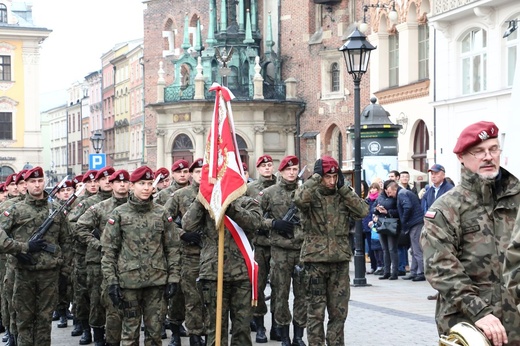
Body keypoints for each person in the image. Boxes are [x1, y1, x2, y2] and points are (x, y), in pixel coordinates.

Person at [421, 121, 520, 346]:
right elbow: (441, 268)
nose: (488, 156)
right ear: (462, 158)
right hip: (471, 326)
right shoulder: (446, 208)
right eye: (479, 151)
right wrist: (480, 312)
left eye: (493, 149)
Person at [101, 166, 181, 345]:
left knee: (155, 335)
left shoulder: (161, 213)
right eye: (141, 184)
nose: (146, 188)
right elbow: (109, 251)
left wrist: (174, 278)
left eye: (149, 184)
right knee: (130, 335)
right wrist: (111, 282)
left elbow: (173, 248)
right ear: (131, 186)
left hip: (157, 282)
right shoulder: (119, 214)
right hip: (129, 284)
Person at [294, 156, 368, 345]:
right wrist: (315, 179)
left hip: (339, 261)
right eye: (328, 177)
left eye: (335, 177)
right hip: (315, 262)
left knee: (339, 312)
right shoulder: (311, 193)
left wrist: (344, 189)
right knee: (315, 313)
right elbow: (299, 200)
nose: (332, 181)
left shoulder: (342, 194)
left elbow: (362, 211)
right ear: (320, 176)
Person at [0, 167, 72, 346]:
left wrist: (65, 269)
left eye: (40, 181)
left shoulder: (55, 209)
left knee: (44, 321)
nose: (37, 185)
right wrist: (21, 248)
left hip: (49, 274)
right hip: (24, 274)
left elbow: (66, 241)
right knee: (24, 321)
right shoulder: (16, 210)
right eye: (33, 181)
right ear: (25, 184)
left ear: (44, 182)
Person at [182, 189, 262, 346]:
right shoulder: (205, 204)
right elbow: (188, 225)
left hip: (242, 274)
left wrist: (230, 207)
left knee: (242, 328)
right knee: (215, 328)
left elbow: (254, 223)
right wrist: (202, 199)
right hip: (213, 274)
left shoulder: (247, 202)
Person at [76, 169, 130, 346]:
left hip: (128, 262)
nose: (121, 184)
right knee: (98, 299)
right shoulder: (100, 206)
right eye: (107, 180)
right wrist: (98, 243)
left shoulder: (134, 204)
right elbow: (78, 227)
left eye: (125, 181)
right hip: (99, 260)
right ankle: (98, 335)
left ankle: (122, 337)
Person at [257, 155, 306, 346]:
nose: (292, 173)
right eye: (288, 170)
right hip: (280, 251)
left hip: (301, 250)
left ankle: (299, 336)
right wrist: (274, 223)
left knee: (302, 295)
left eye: (295, 170)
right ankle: (284, 335)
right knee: (280, 294)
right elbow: (255, 218)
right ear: (282, 172)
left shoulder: (304, 193)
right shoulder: (269, 193)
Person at [70, 167, 115, 344]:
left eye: (109, 178)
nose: (106, 182)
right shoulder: (89, 203)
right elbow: (73, 224)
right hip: (92, 256)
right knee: (91, 296)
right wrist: (92, 236)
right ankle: (91, 330)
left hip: (118, 258)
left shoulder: (122, 201)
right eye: (102, 179)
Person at [164, 159, 205, 346]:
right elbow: (165, 220)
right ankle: (178, 332)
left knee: (205, 297)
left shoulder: (217, 195)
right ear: (191, 174)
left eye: (203, 171)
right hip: (187, 254)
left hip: (210, 254)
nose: (200, 175)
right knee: (184, 297)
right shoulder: (180, 195)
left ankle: (201, 332)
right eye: (196, 171)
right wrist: (182, 234)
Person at [245, 154, 278, 343]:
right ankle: (260, 327)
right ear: (258, 169)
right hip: (258, 245)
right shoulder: (250, 189)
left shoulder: (281, 186)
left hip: (278, 245)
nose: (267, 168)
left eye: (269, 165)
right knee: (257, 286)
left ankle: (277, 326)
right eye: (263, 165)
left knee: (278, 288)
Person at [420, 164, 454, 299]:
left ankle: (447, 290)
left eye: (436, 173)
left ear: (443, 174)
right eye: (431, 174)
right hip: (432, 229)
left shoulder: (449, 190)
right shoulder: (429, 191)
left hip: (445, 230)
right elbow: (426, 209)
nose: (433, 176)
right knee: (434, 260)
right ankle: (440, 289)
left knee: (445, 259)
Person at [382, 181, 425, 282]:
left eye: (390, 192)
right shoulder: (403, 193)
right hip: (415, 222)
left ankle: (421, 272)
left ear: (395, 190)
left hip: (414, 223)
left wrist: (404, 220)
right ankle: (414, 272)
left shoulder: (402, 194)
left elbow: (407, 207)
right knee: (414, 249)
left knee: (416, 248)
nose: (389, 195)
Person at [373, 180, 400, 280]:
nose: (388, 192)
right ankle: (386, 271)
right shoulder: (380, 197)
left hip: (391, 223)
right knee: (384, 249)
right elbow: (373, 208)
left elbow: (398, 211)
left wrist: (387, 212)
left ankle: (394, 272)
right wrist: (376, 210)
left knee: (392, 249)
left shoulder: (395, 197)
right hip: (381, 222)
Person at [362, 182, 381, 274]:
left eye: (375, 188)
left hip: (376, 226)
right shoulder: (367, 200)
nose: (373, 190)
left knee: (378, 247)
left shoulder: (379, 199)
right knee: (370, 248)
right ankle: (373, 266)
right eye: (371, 188)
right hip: (367, 226)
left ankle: (380, 265)